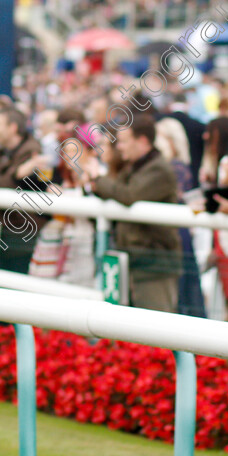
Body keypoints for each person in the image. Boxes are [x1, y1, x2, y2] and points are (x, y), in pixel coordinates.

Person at [83, 114, 182, 313]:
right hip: (137, 262)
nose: (119, 147)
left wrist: (97, 178)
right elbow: (117, 192)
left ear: (142, 141)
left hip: (154, 266)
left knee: (155, 330)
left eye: (124, 141)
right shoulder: (136, 167)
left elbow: (128, 195)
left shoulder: (159, 170)